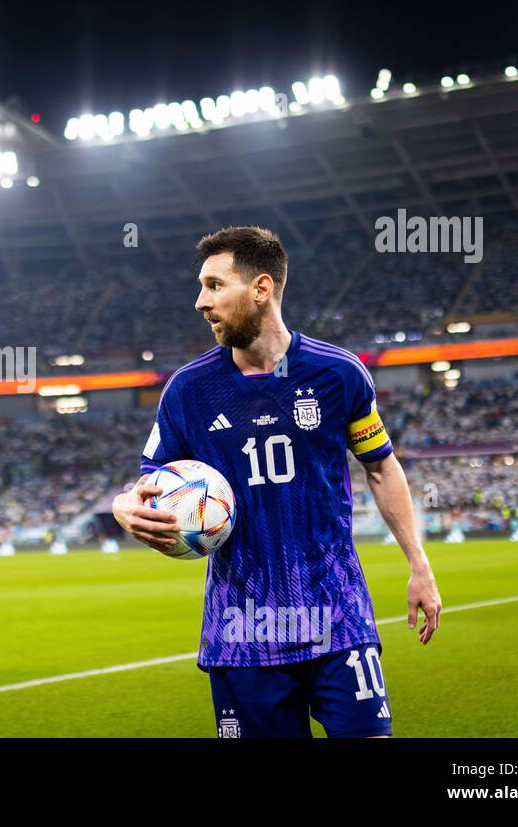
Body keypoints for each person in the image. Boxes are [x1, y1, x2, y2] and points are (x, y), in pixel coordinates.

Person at [112, 226, 442, 739]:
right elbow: (150, 483)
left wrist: (419, 566)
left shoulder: (339, 374)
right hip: (242, 632)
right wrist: (124, 505)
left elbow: (381, 466)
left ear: (261, 289)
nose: (201, 302)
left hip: (336, 616)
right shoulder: (188, 390)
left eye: (215, 285)